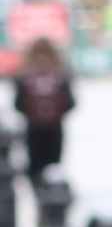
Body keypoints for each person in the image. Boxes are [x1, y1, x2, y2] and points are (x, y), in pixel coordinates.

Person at [13, 37, 74, 184]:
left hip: (33, 128)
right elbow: (70, 103)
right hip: (55, 128)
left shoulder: (24, 73)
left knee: (35, 167)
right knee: (53, 169)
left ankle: (38, 196)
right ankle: (52, 197)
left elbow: (18, 104)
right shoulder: (60, 73)